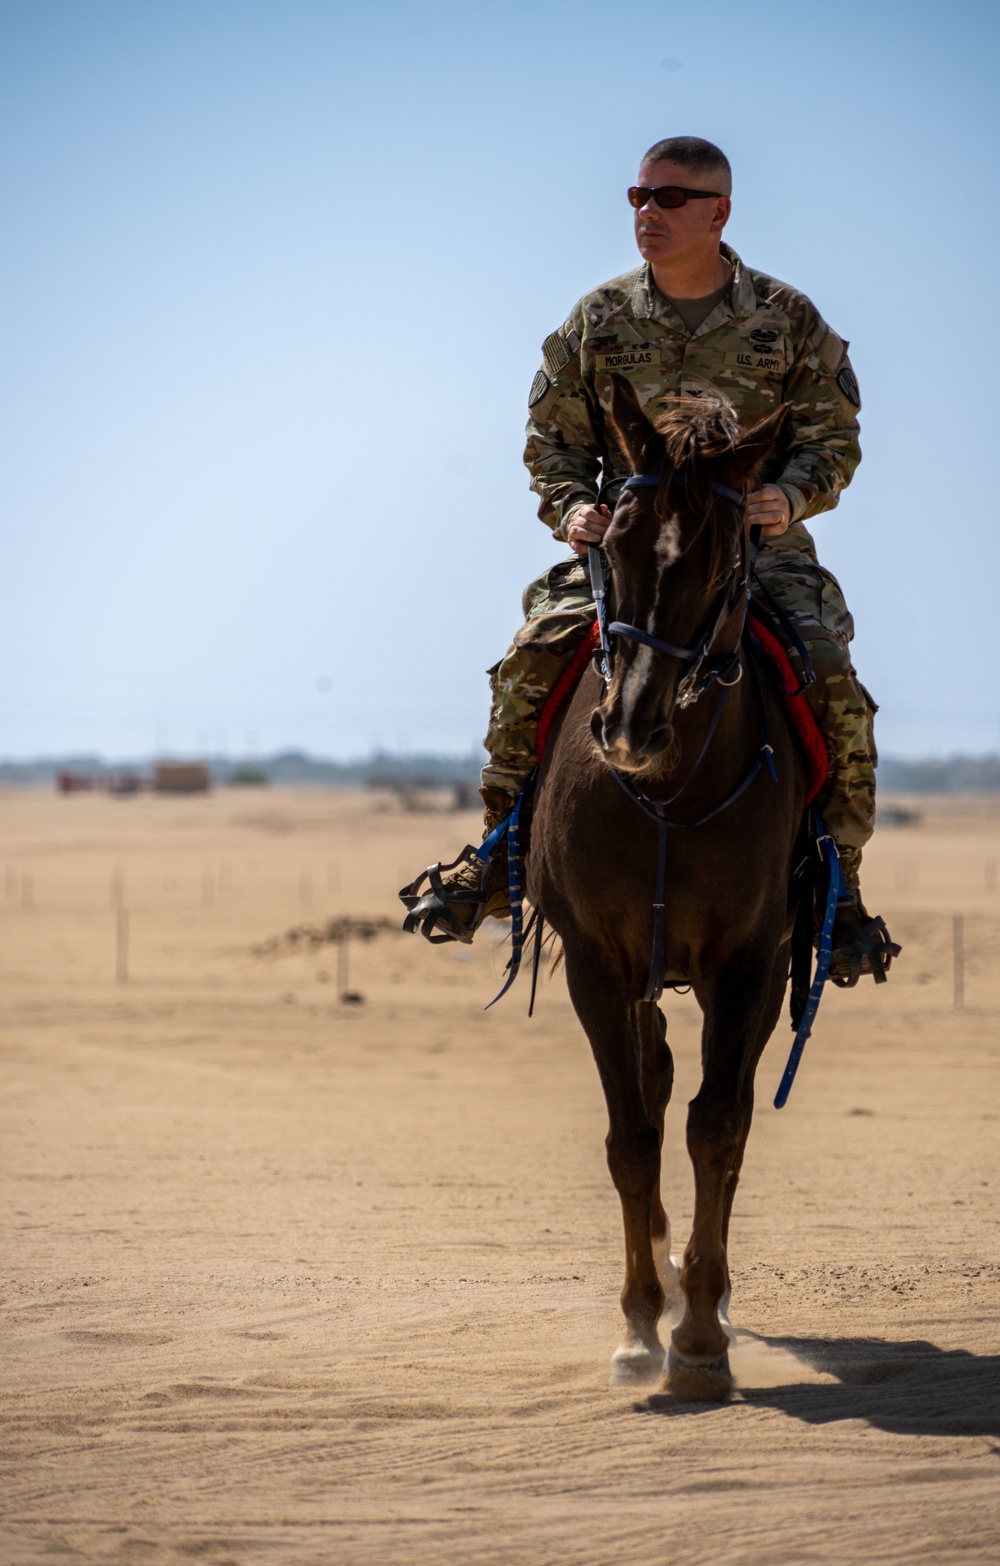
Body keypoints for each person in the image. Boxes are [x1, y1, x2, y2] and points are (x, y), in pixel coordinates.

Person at [403, 135, 897, 985]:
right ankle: (495, 856)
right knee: (531, 657)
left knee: (830, 678)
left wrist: (792, 495)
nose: (647, 213)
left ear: (719, 212)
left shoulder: (790, 319)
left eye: (668, 198)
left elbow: (832, 438)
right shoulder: (596, 320)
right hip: (627, 551)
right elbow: (550, 443)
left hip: (752, 551)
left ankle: (839, 889)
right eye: (637, 196)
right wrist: (574, 509)